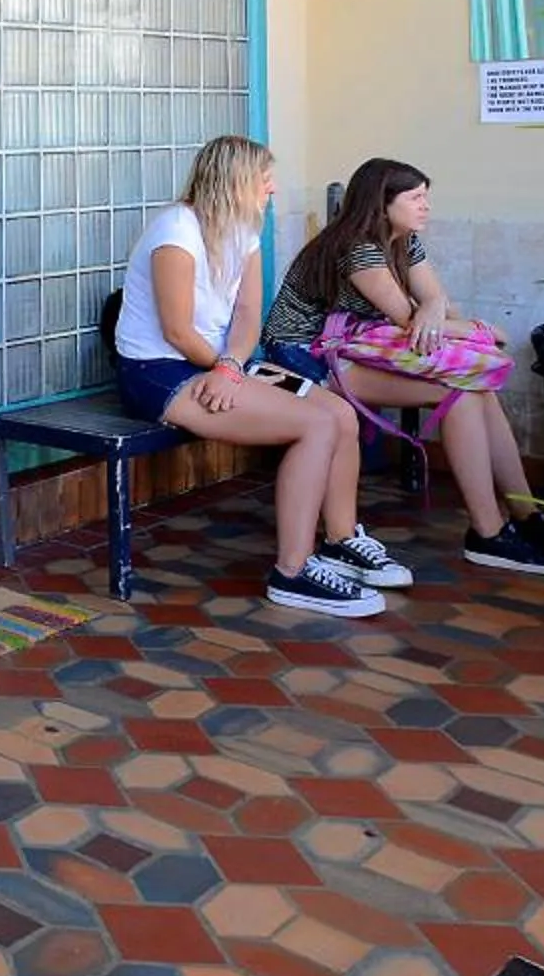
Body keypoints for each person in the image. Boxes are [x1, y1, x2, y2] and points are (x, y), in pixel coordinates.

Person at [113, 135, 406, 617]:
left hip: (221, 363)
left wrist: (231, 365)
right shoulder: (176, 230)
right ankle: (292, 572)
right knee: (315, 425)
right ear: (234, 181)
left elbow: (250, 315)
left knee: (339, 413)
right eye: (264, 180)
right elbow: (176, 330)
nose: (272, 189)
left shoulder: (244, 231)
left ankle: (339, 541)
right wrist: (225, 369)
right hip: (159, 371)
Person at [262, 158, 544, 576]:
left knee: (478, 388)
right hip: (303, 354)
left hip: (352, 344)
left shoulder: (404, 241)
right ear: (382, 203)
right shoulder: (356, 248)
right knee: (460, 393)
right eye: (416, 198)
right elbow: (410, 320)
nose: (425, 206)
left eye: (425, 197)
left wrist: (433, 307)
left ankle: (525, 513)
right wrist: (478, 328)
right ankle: (487, 532)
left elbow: (437, 305)